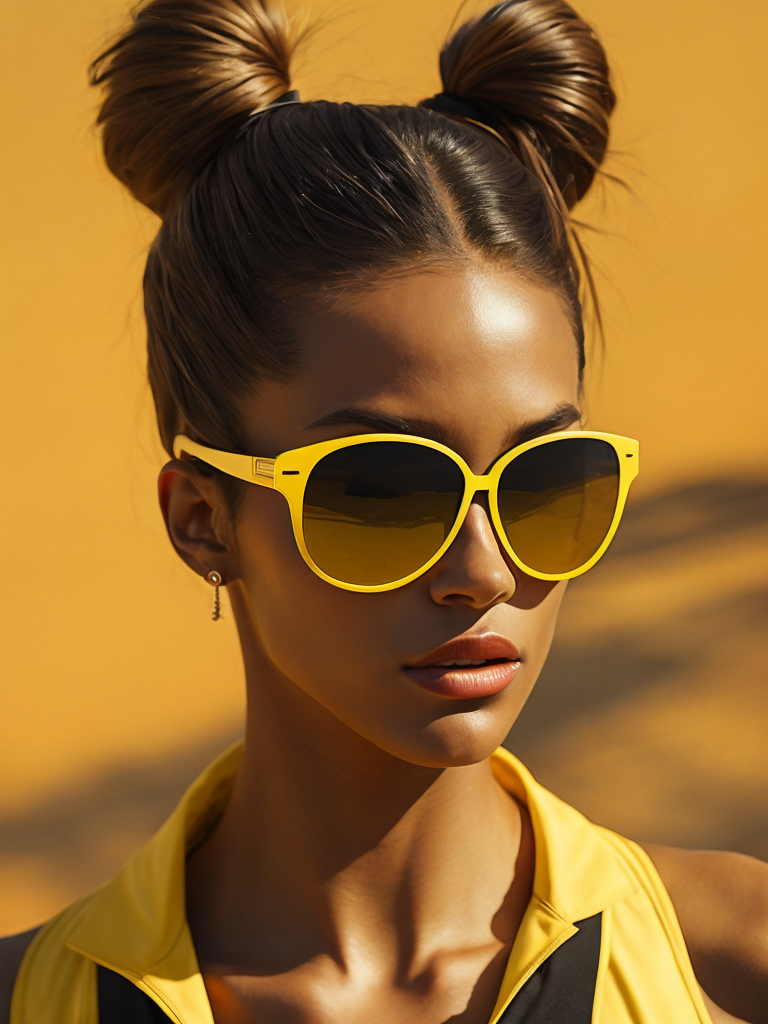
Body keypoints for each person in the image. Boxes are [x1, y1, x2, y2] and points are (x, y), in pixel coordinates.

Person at [2, 0, 767, 1020]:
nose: (485, 571)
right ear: (202, 518)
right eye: (383, 490)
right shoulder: (35, 1000)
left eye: (548, 482)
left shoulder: (733, 971)